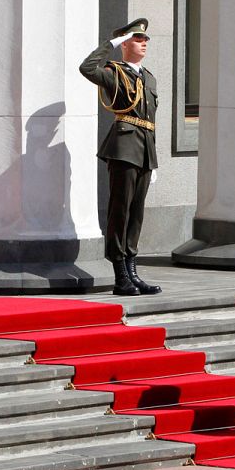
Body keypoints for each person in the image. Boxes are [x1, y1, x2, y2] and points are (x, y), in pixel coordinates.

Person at [79, 18, 161, 297]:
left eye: (145, 39)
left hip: (145, 152)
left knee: (136, 214)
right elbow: (87, 68)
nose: (144, 43)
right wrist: (111, 43)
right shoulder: (114, 73)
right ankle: (120, 276)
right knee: (120, 211)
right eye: (138, 39)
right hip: (124, 149)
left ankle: (132, 272)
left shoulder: (149, 77)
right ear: (125, 43)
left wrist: (154, 160)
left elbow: (150, 121)